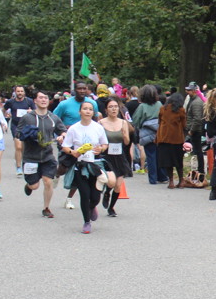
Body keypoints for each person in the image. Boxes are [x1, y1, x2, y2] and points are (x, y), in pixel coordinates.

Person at [59, 100, 108, 234]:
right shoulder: (74, 128)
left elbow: (105, 144)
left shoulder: (98, 127)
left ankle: (92, 207)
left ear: (93, 113)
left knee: (95, 196)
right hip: (80, 166)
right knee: (84, 195)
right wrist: (72, 152)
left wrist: (101, 149)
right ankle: (86, 222)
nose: (88, 111)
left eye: (90, 109)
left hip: (95, 165)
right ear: (79, 111)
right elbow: (65, 146)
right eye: (85, 109)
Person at [18, 90, 67, 219]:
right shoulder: (27, 117)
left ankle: (46, 208)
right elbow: (18, 133)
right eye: (40, 98)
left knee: (48, 181)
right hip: (31, 157)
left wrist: (62, 136)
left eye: (45, 98)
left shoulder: (53, 118)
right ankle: (29, 185)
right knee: (34, 186)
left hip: (47, 156)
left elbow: (63, 131)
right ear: (35, 101)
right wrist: (27, 134)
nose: (44, 100)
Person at [98, 97, 132, 216]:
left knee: (118, 186)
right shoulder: (101, 123)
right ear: (106, 110)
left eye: (116, 107)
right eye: (111, 107)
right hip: (106, 156)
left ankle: (111, 208)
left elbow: (127, 142)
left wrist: (125, 135)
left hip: (119, 156)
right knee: (111, 182)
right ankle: (107, 192)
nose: (114, 109)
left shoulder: (123, 122)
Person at [132, 84, 166, 185]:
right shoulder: (159, 104)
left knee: (151, 156)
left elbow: (136, 120)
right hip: (159, 132)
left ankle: (153, 178)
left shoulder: (142, 106)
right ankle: (162, 176)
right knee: (160, 155)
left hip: (147, 133)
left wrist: (140, 126)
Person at [157, 92, 189, 188]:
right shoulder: (181, 110)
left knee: (168, 161)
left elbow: (159, 121)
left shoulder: (163, 109)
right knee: (178, 161)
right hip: (177, 139)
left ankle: (171, 182)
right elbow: (184, 125)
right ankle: (181, 180)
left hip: (164, 138)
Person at [4, 85, 34, 176]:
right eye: (18, 91)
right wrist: (5, 117)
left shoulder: (29, 101)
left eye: (21, 91)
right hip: (16, 126)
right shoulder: (11, 102)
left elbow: (36, 111)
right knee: (18, 147)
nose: (20, 93)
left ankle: (21, 162)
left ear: (24, 92)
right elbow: (3, 109)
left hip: (27, 126)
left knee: (24, 148)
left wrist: (31, 112)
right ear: (15, 92)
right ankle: (18, 167)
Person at [184, 82, 205, 181]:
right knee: (196, 152)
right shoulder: (194, 100)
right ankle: (197, 171)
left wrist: (191, 130)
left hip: (196, 130)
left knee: (198, 152)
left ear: (194, 91)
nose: (187, 92)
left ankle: (200, 172)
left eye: (189, 90)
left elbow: (197, 118)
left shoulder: (196, 102)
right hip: (195, 129)